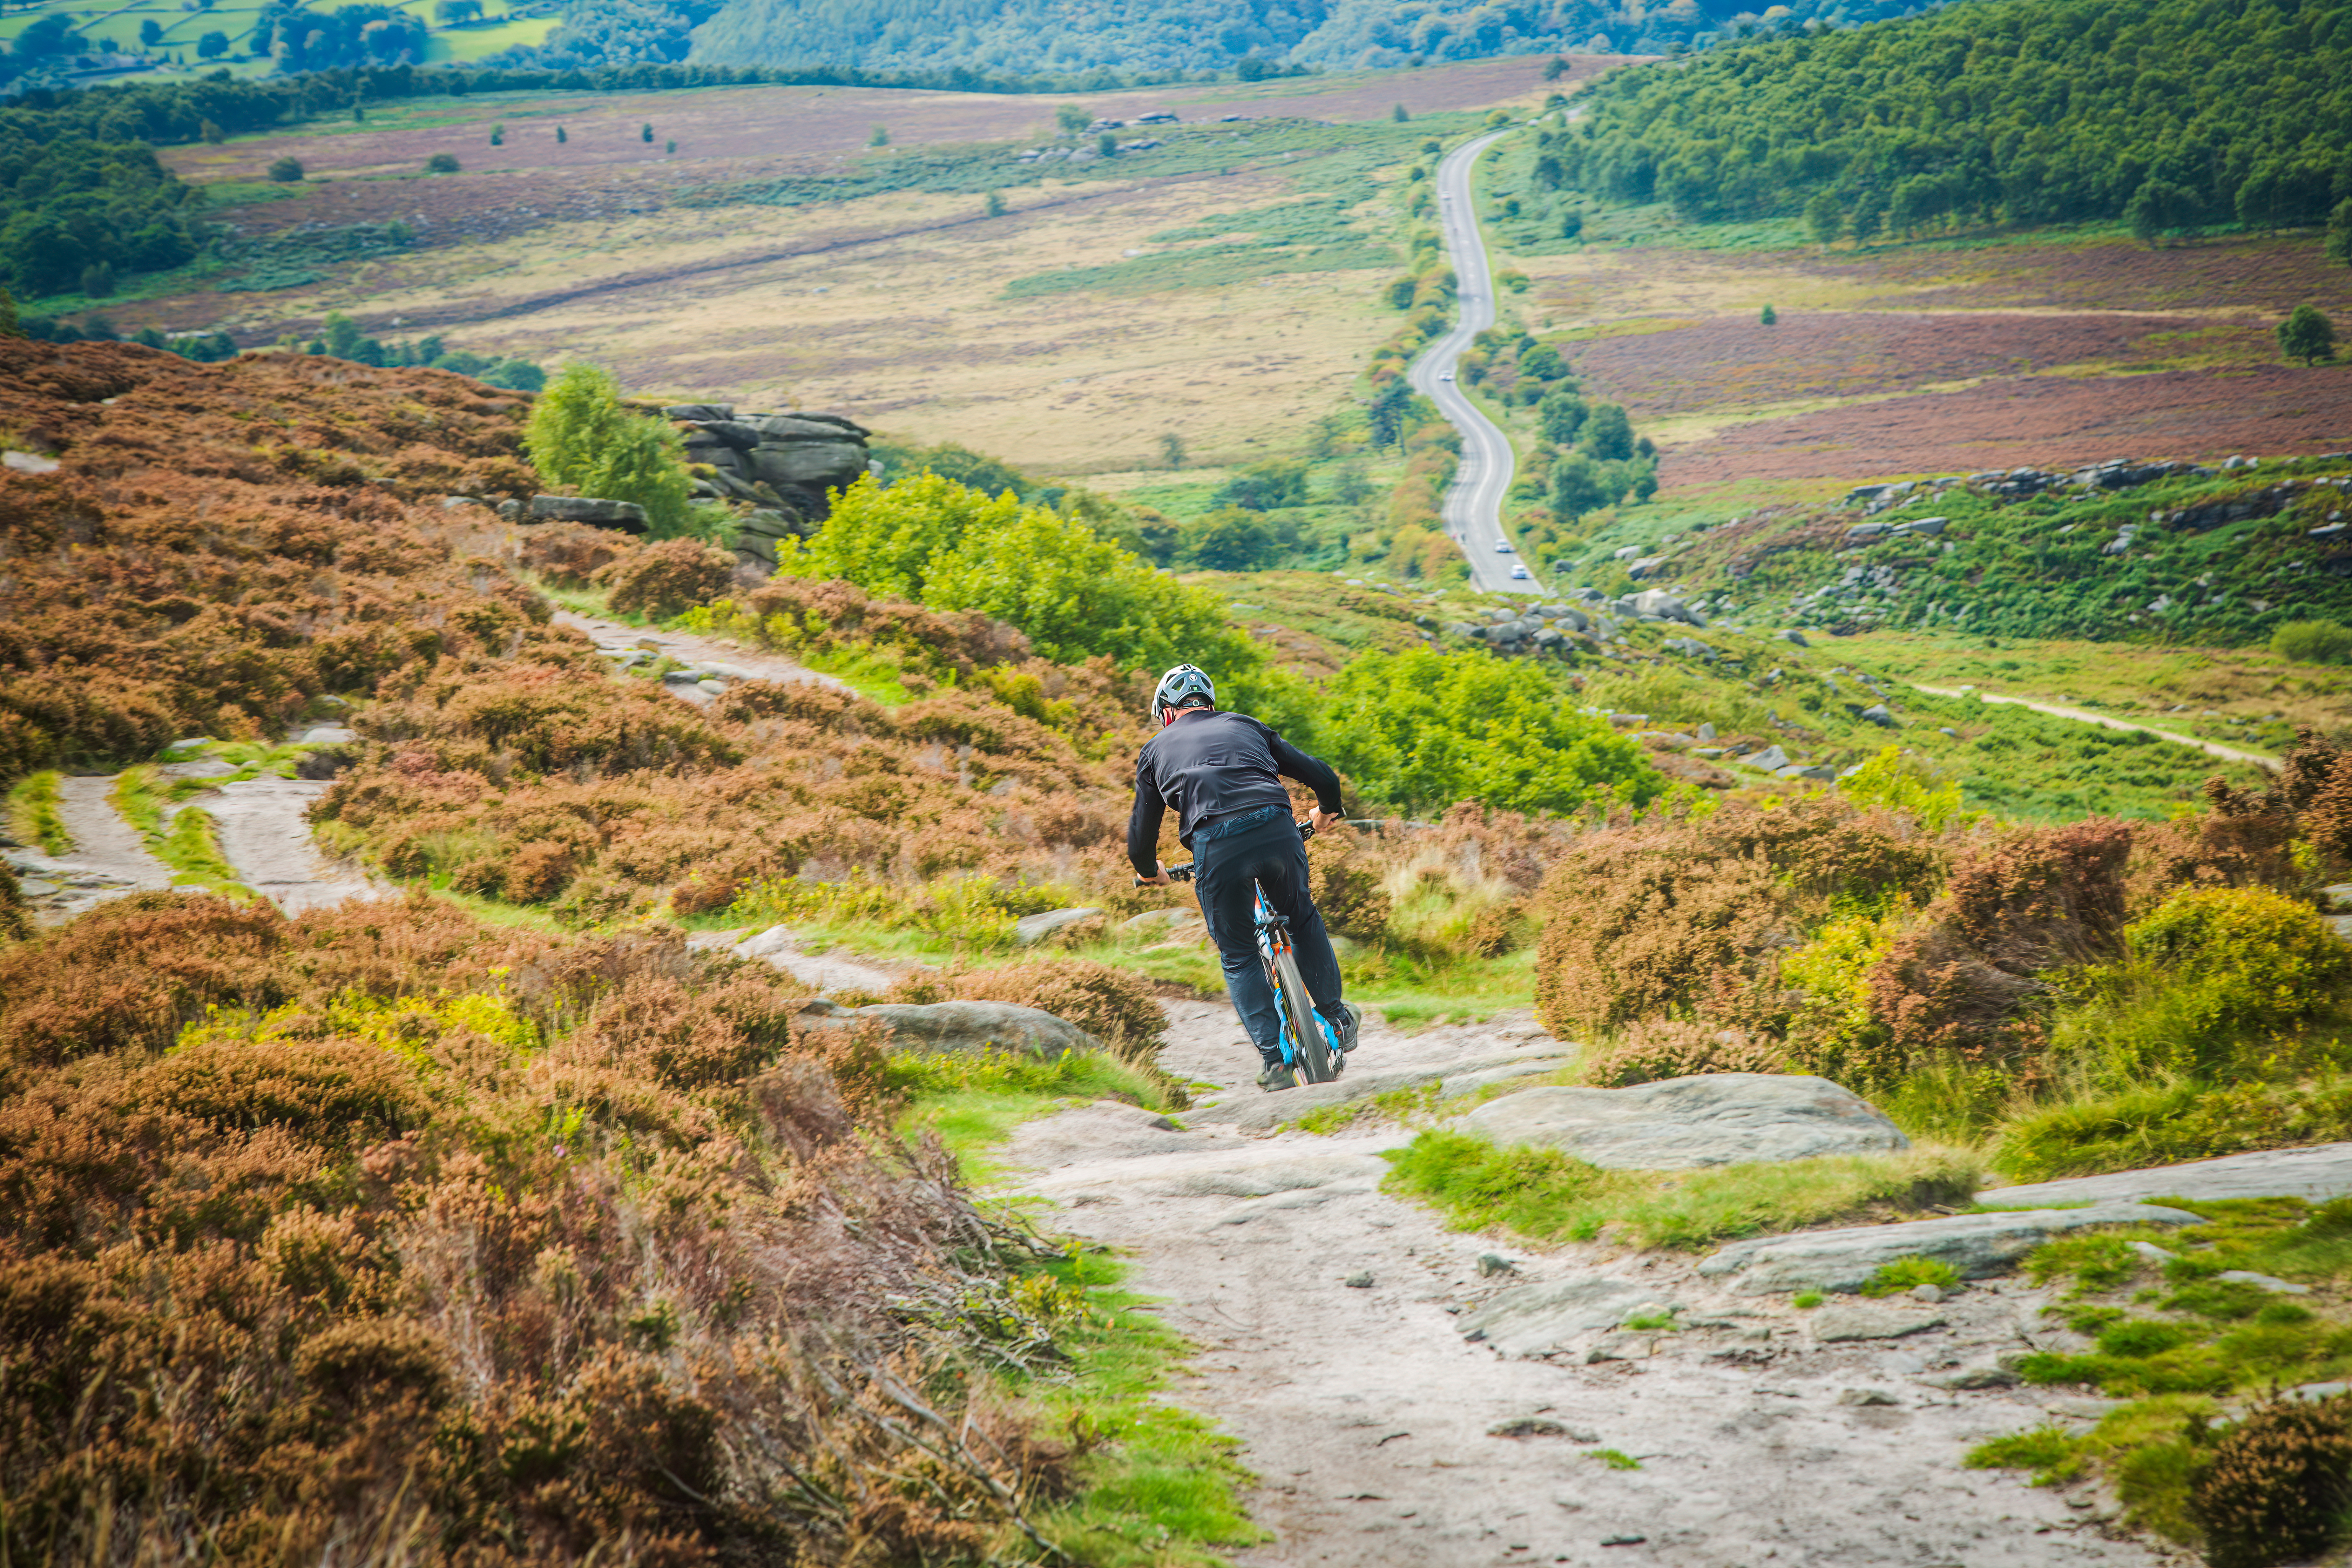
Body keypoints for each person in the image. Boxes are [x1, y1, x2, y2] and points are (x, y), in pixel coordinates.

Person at [1128, 663, 1360, 1090]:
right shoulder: (1246, 725)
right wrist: (1327, 811)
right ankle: (1338, 1018)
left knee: (1238, 954)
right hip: (1277, 827)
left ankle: (1275, 1063)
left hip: (1216, 846)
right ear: (1209, 704)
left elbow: (1141, 837)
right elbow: (1321, 774)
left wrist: (1150, 873)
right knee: (1302, 918)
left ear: (1166, 711)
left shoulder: (1155, 750)